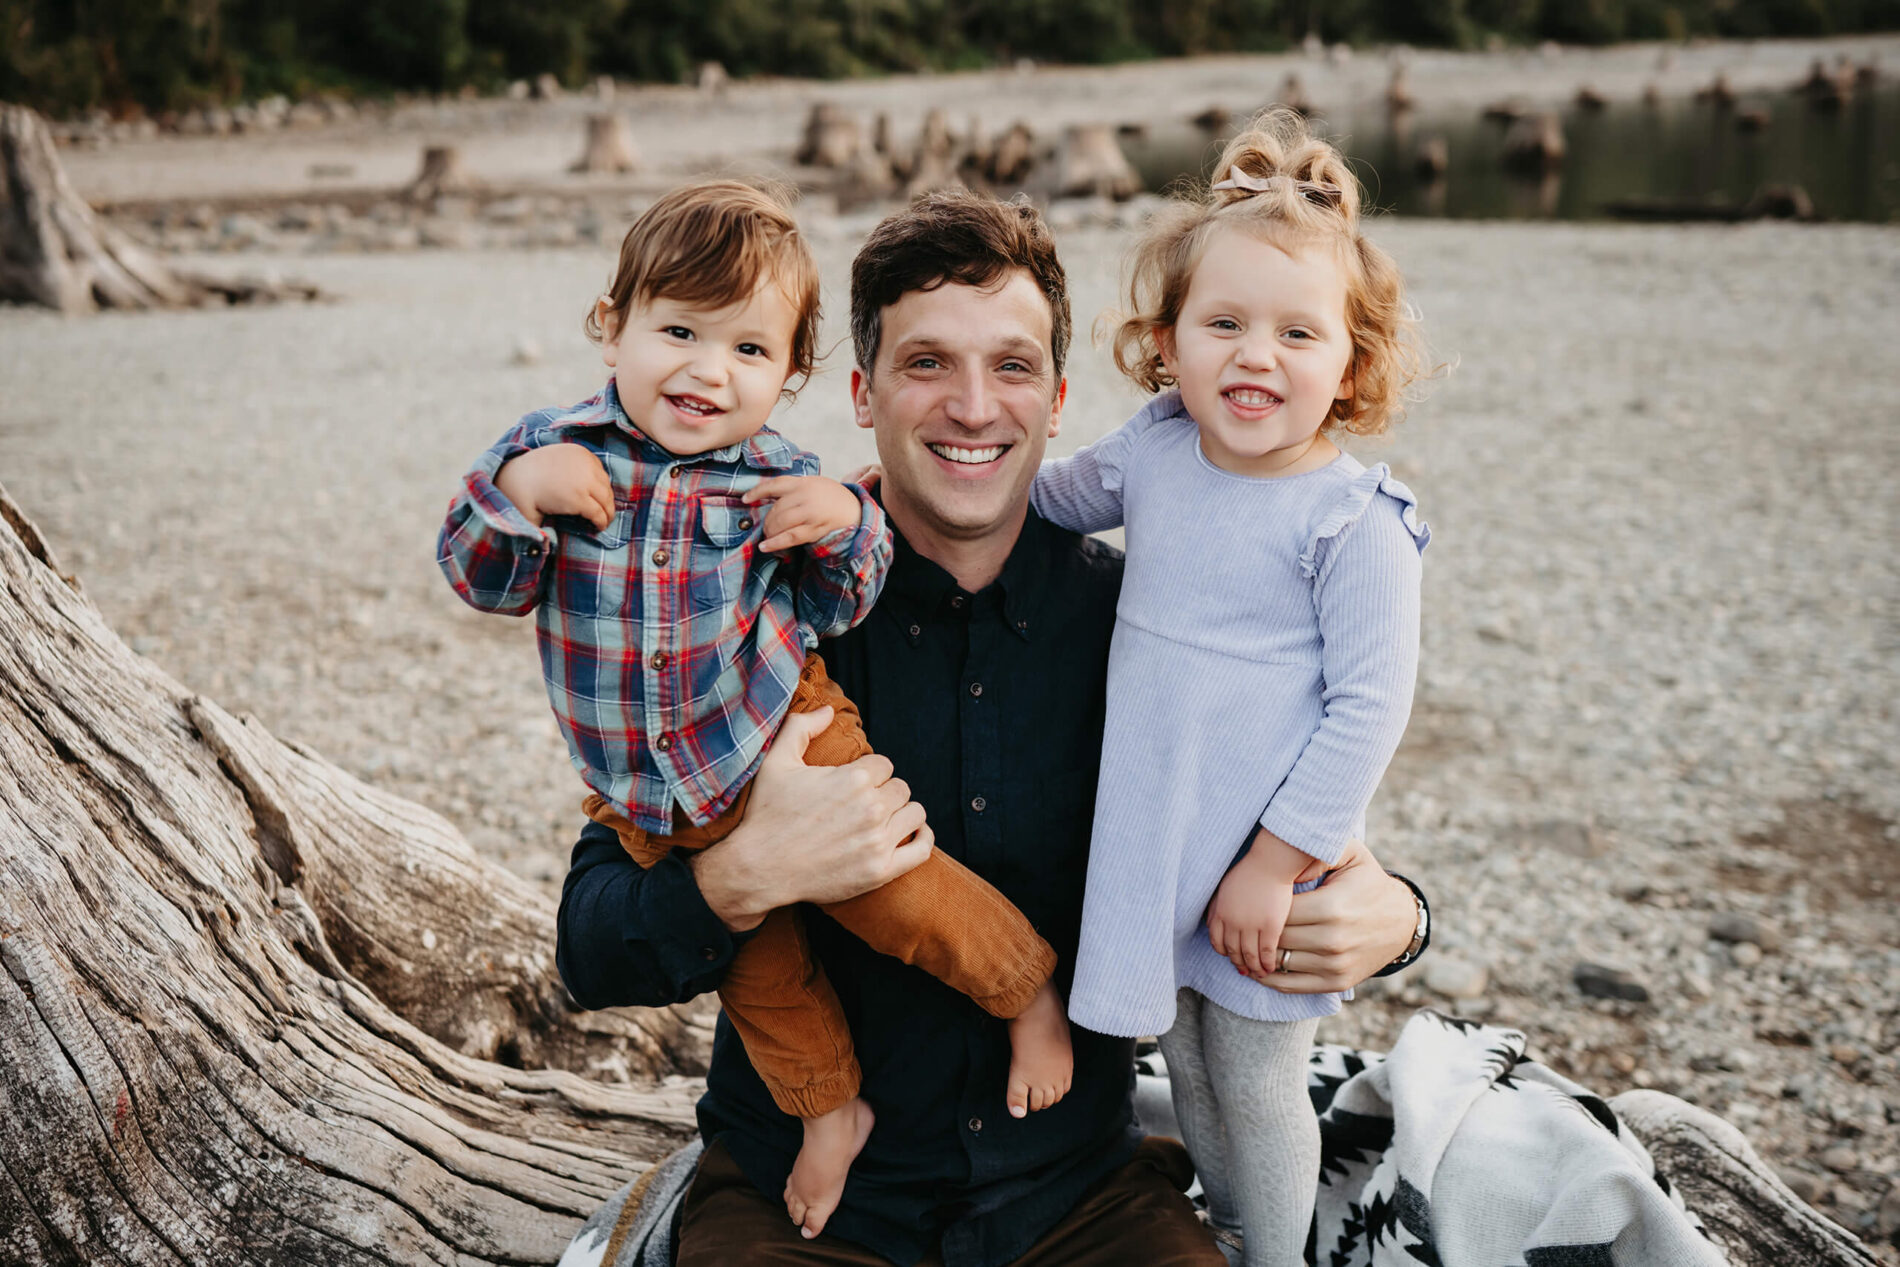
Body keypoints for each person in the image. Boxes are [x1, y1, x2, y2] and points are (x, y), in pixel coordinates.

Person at [555, 187, 1431, 1267]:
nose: (974, 406)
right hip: (807, 1203)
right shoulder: (742, 608)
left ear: (1059, 400)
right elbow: (590, 942)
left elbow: (1306, 791)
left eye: (1011, 366)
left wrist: (1396, 914)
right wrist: (739, 879)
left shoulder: (1148, 626)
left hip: (1079, 1197)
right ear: (860, 393)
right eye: (926, 364)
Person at [437, 179, 1073, 1241]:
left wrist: (839, 523)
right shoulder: (554, 450)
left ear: (789, 377)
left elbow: (837, 592)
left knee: (903, 891)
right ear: (613, 329)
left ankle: (1025, 993)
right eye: (677, 330)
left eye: (745, 351)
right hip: (651, 797)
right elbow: (482, 578)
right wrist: (517, 496)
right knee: (761, 972)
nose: (704, 370)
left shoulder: (775, 474)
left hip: (782, 737)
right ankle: (830, 1111)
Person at [1029, 111, 1429, 1267]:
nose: (1256, 355)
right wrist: (889, 491)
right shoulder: (1155, 451)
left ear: (1350, 362)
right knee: (1190, 1060)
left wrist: (1274, 864)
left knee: (1256, 1077)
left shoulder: (1352, 521)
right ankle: (1227, 1219)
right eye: (1223, 324)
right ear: (1168, 342)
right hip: (1162, 827)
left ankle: (1275, 1251)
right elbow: (1039, 499)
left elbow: (1369, 709)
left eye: (1297, 333)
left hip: (1269, 853)